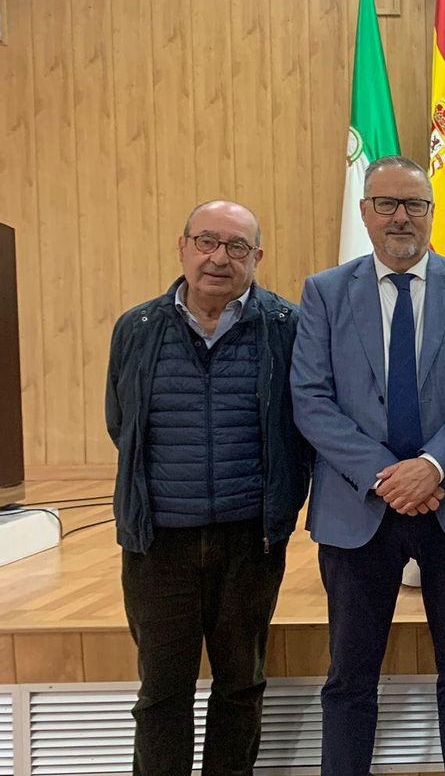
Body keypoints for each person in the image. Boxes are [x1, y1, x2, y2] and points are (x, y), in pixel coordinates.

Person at [291, 156, 445, 776]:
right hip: (357, 508)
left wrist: (433, 465)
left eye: (413, 204)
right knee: (350, 674)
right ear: (364, 213)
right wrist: (391, 476)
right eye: (386, 203)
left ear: (431, 213)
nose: (399, 216)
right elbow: (310, 399)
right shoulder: (325, 291)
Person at [105, 199, 309, 776]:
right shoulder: (137, 329)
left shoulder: (286, 327)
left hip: (249, 540)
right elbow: (123, 423)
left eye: (236, 247)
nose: (219, 258)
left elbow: (301, 425)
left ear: (258, 257)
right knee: (162, 692)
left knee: (240, 686)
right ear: (183, 247)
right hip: (157, 543)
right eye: (206, 241)